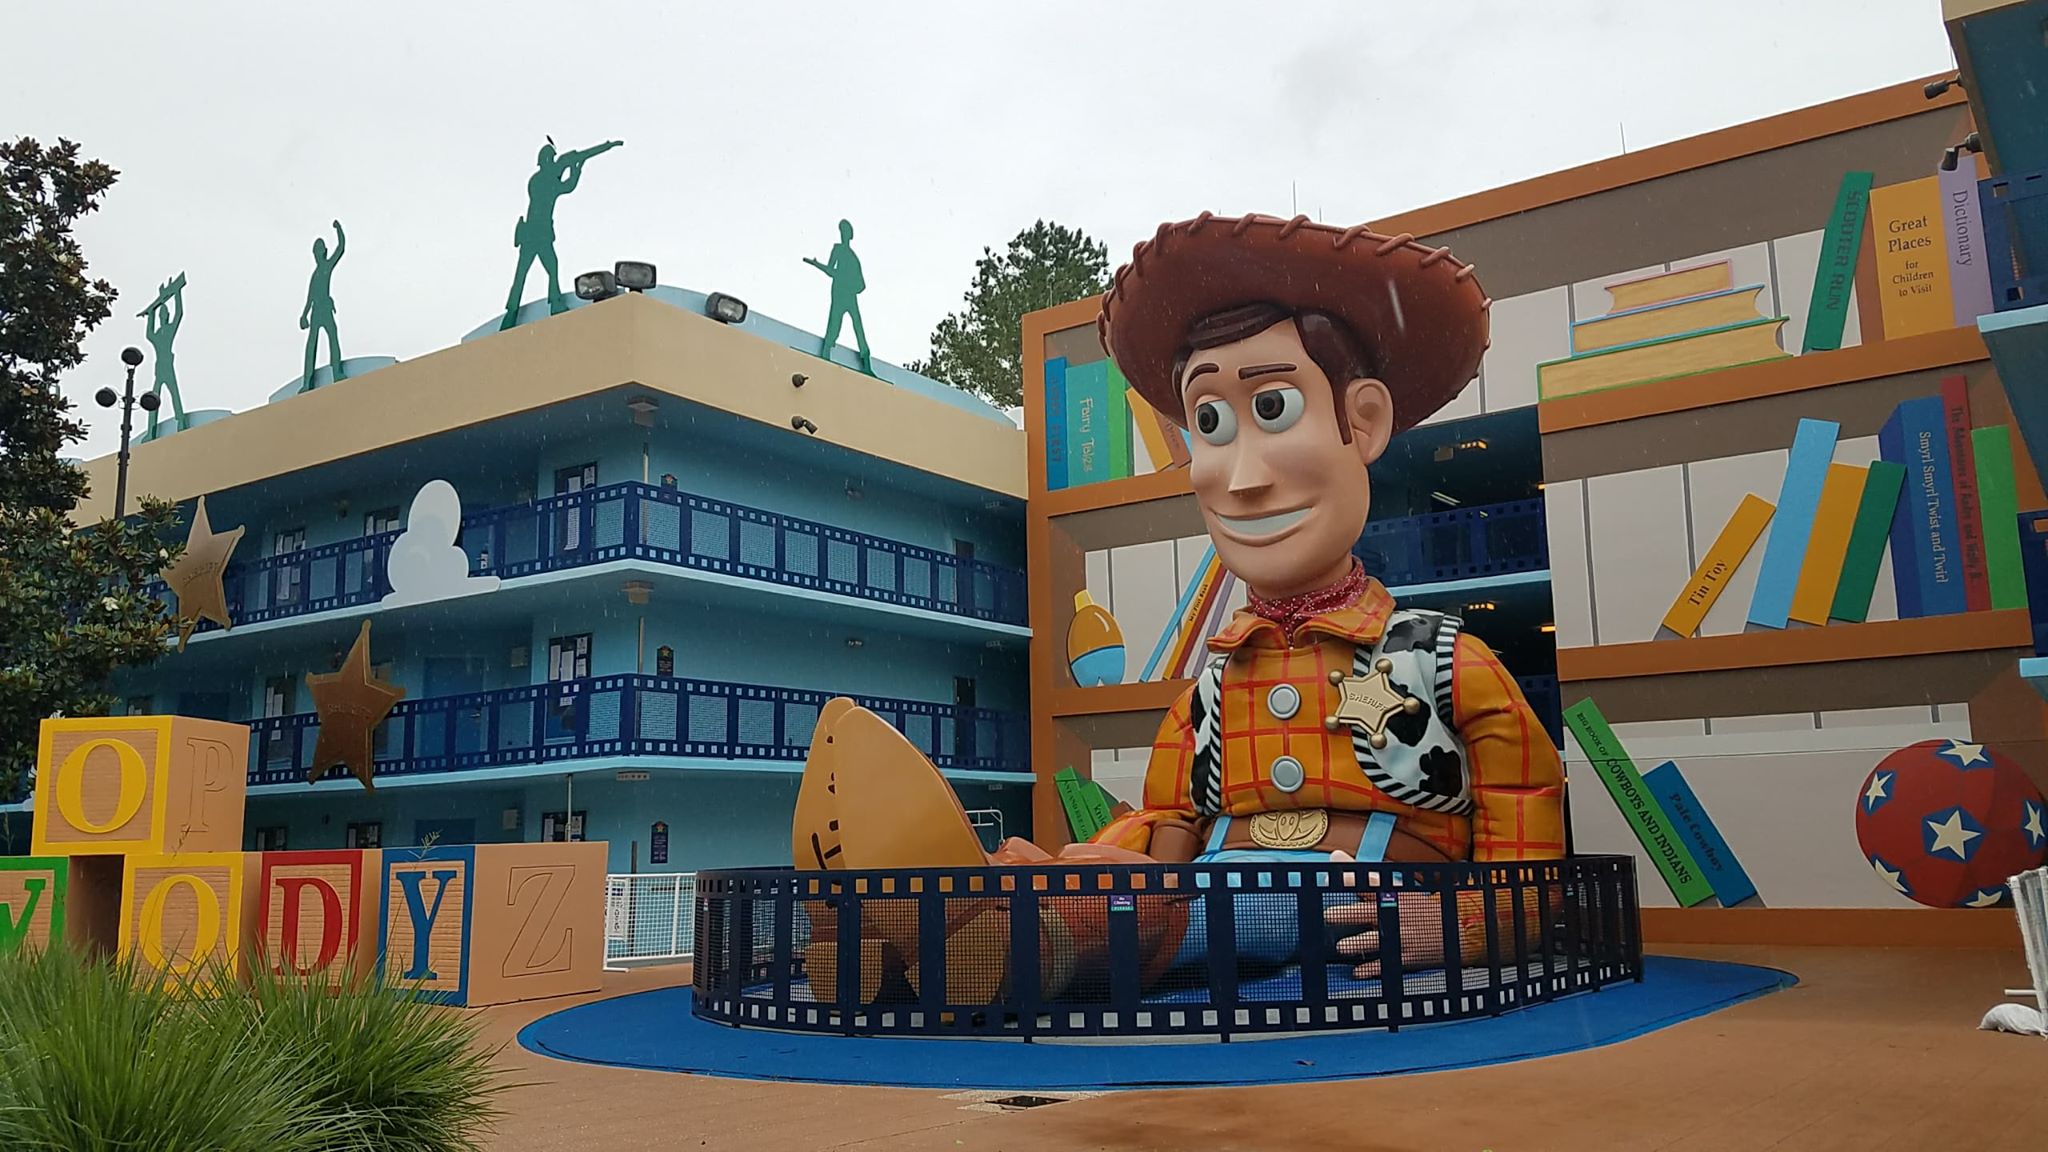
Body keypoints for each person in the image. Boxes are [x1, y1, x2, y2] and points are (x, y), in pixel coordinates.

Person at [794, 212, 1564, 994]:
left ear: (1361, 420)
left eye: (1274, 408)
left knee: (1222, 909)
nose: (1243, 476)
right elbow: (1167, 831)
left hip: (1346, 896)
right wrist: (1076, 867)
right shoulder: (1212, 693)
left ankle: (1022, 947)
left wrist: (1464, 924)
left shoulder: (1446, 666)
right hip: (1210, 890)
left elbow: (1529, 861)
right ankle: (918, 923)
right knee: (1108, 884)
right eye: (1210, 422)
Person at [499, 138, 623, 330]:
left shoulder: (537, 180)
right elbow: (566, 187)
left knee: (529, 271)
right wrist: (575, 167)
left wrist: (575, 166)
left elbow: (563, 186)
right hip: (538, 232)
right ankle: (552, 305)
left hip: (533, 232)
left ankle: (515, 313)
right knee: (547, 267)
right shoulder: (542, 180)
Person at [804, 219, 873, 374]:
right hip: (839, 292)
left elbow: (861, 284)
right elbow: (831, 270)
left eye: (846, 232)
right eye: (842, 231)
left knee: (857, 325)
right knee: (834, 322)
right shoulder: (837, 250)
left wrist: (849, 283)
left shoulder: (853, 257)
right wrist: (817, 265)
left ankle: (866, 360)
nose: (844, 234)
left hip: (849, 294)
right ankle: (826, 352)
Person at [300, 221, 346, 391]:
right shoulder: (315, 275)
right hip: (316, 311)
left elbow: (340, 248)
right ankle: (307, 382)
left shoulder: (327, 266)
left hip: (325, 308)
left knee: (333, 338)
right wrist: (304, 315)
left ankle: (337, 372)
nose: (317, 254)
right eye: (315, 251)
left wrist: (338, 230)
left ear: (324, 251)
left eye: (319, 250)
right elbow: (310, 297)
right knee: (311, 344)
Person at [141, 276, 189, 438]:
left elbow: (179, 313)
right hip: (159, 369)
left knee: (174, 395)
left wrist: (177, 293)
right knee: (153, 400)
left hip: (167, 367)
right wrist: (151, 315)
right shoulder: (157, 335)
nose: (163, 316)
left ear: (167, 316)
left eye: (164, 314)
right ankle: (151, 431)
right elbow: (148, 333)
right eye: (161, 314)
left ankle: (181, 422)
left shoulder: (169, 331)